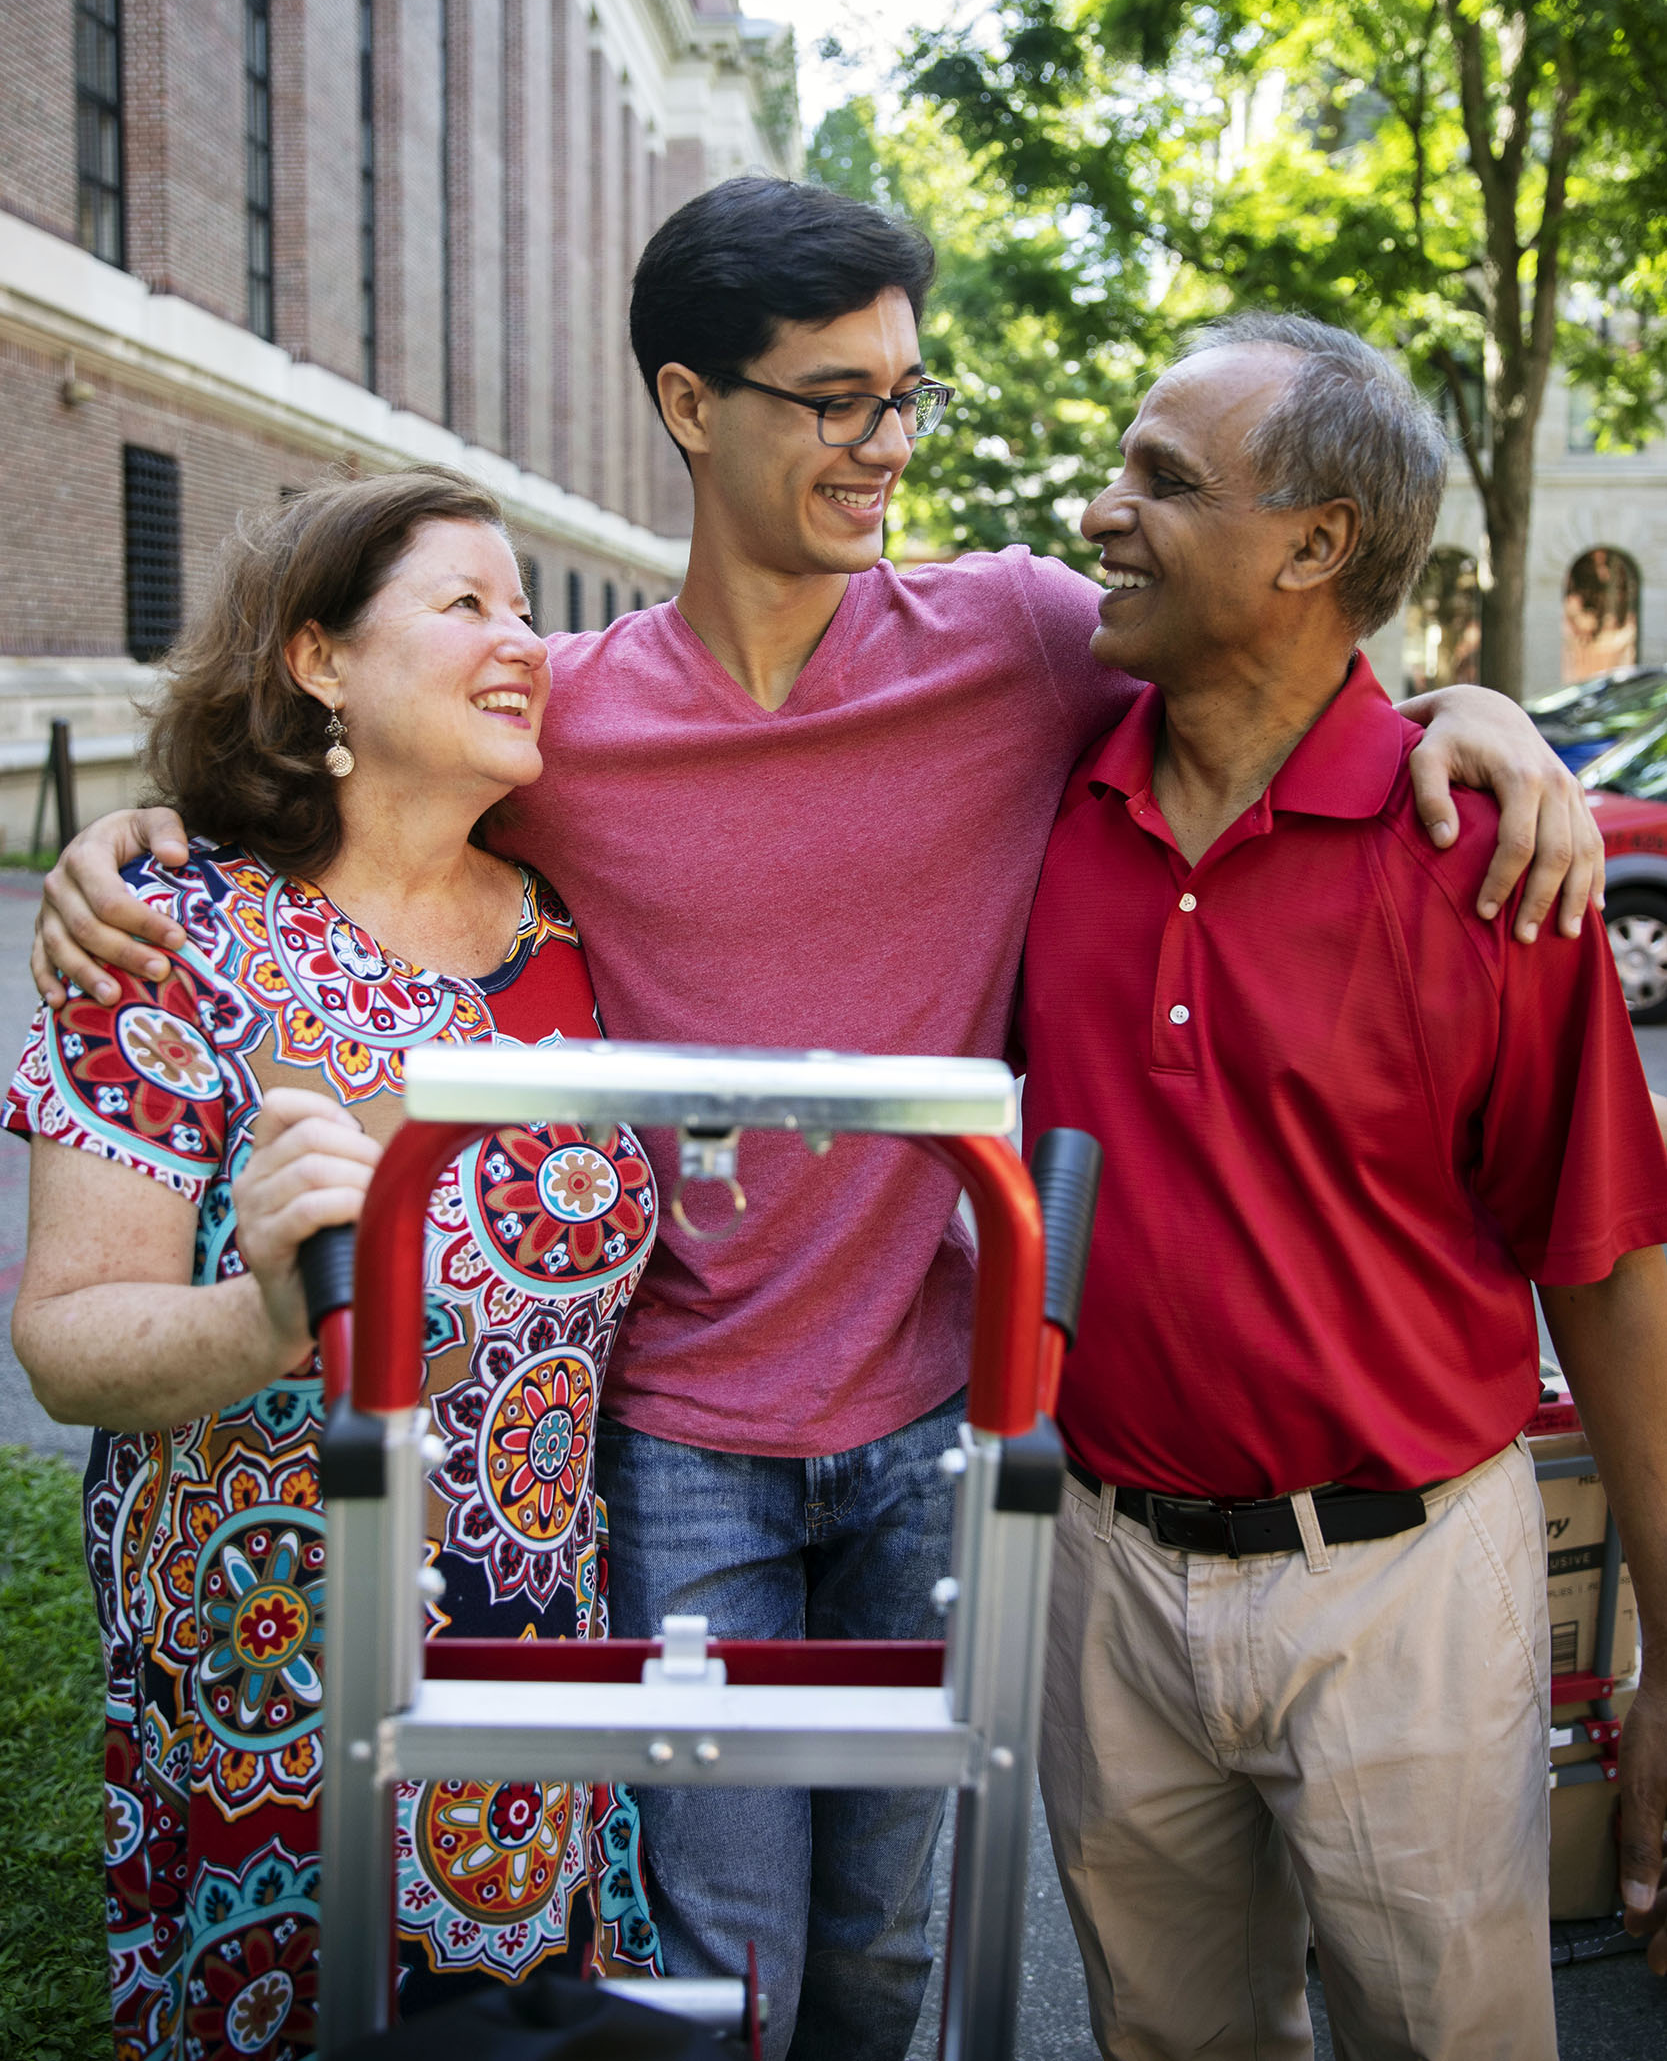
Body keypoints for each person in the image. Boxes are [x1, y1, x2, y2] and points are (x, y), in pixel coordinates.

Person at [31, 182, 1605, 2061]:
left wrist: (1478, 707)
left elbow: (1270, 663)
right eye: (837, 401)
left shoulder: (1019, 643)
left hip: (936, 1413)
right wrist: (129, 838)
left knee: (887, 1951)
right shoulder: (562, 729)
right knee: (726, 1961)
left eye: (907, 398)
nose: (886, 448)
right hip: (684, 1433)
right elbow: (349, 817)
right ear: (696, 406)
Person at [1018, 314, 1667, 2061]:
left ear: (1316, 544)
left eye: (1164, 480)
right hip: (1104, 1573)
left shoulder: (1488, 856)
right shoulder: (1049, 789)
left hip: (1404, 1594)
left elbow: (1606, 1265)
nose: (1101, 511)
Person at [8, 472, 660, 2059]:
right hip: (265, 1675)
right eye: (467, 606)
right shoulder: (170, 935)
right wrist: (267, 1311)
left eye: (530, 610)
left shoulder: (574, 934)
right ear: (318, 660)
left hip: (527, 1663)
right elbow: (70, 1338)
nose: (525, 644)